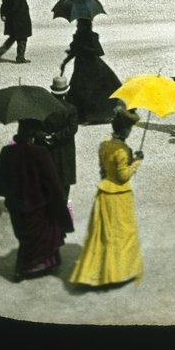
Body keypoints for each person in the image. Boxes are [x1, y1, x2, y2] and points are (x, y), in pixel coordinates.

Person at [0, 118, 75, 281]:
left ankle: (25, 268)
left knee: (25, 239)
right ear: (34, 135)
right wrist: (60, 207)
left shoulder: (7, 151)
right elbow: (53, 184)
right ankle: (26, 268)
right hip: (38, 205)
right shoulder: (40, 153)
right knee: (46, 232)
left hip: (16, 205)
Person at [68, 109, 145, 288]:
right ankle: (117, 272)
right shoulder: (122, 150)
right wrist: (136, 161)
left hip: (104, 192)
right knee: (121, 234)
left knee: (101, 235)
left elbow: (104, 170)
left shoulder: (104, 145)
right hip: (119, 195)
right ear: (125, 130)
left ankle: (97, 273)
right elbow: (123, 176)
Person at [60, 17, 122, 125]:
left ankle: (95, 115)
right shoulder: (77, 36)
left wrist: (83, 48)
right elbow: (74, 52)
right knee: (78, 90)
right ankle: (81, 115)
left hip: (93, 67)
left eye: (80, 25)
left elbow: (99, 52)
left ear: (86, 26)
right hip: (80, 67)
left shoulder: (92, 36)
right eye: (78, 24)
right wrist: (65, 62)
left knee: (92, 91)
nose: (78, 26)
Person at [42, 75, 79, 203]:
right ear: (66, 91)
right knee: (64, 178)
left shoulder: (44, 108)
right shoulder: (70, 109)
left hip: (47, 148)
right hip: (64, 149)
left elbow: (36, 127)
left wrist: (45, 136)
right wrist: (57, 137)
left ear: (52, 91)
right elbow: (72, 129)